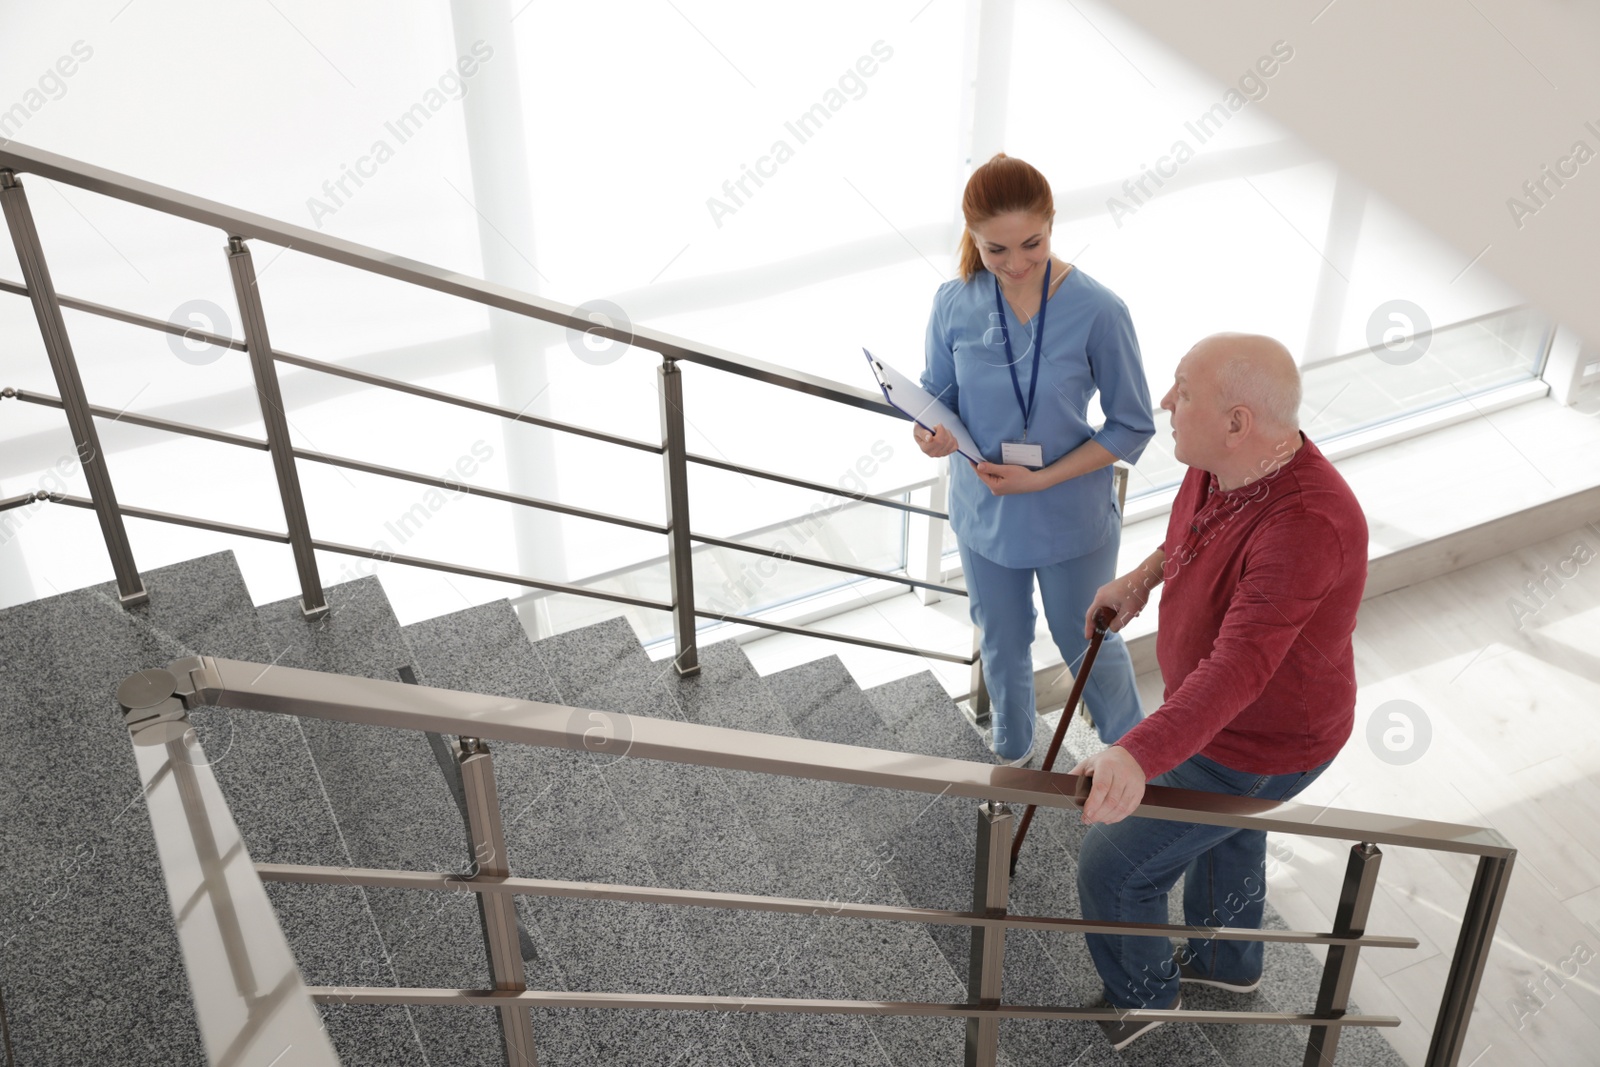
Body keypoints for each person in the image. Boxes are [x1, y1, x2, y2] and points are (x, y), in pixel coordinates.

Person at [1070, 332, 1369, 1051]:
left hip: (1259, 740)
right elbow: (1196, 534)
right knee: (1228, 832)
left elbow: (1237, 671)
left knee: (1113, 868)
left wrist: (1136, 755)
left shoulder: (1307, 524)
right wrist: (1141, 579)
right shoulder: (1223, 463)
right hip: (1227, 726)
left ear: (1238, 421)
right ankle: (1226, 962)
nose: (1166, 401)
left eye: (1184, 390)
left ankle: (1145, 1003)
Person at [915, 153, 1155, 765]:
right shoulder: (953, 302)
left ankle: (1131, 760)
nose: (1016, 265)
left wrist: (1042, 478)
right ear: (972, 239)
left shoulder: (1100, 311)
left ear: (1052, 224)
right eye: (996, 251)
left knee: (1088, 645)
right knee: (1001, 640)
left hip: (1069, 513)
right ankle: (1014, 755)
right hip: (985, 511)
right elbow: (937, 397)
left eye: (1031, 244)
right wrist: (931, 433)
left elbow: (1133, 424)